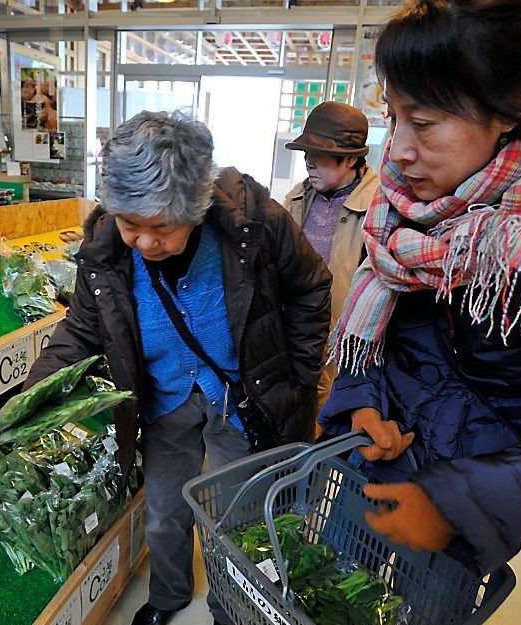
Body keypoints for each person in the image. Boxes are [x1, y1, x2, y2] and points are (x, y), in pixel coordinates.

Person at [320, 0, 521, 575]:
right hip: (371, 463)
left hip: (465, 508)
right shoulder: (405, 203)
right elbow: (381, 336)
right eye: (393, 118)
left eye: (422, 122)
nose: (396, 150)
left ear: (512, 108)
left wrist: (454, 502)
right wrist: (361, 401)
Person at [25, 110, 331, 625]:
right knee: (165, 509)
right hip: (166, 398)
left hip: (241, 397)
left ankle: (230, 606)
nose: (145, 243)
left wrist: (297, 378)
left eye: (161, 228)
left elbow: (310, 289)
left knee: (239, 516)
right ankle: (167, 595)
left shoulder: (256, 222)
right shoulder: (104, 246)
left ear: (196, 206)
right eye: (131, 225)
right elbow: (82, 326)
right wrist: (38, 388)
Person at [281, 101, 380, 408]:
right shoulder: (296, 197)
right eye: (306, 152)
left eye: (320, 155)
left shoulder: (379, 208)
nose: (308, 161)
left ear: (350, 158)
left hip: (343, 347)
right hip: (294, 335)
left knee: (327, 424)